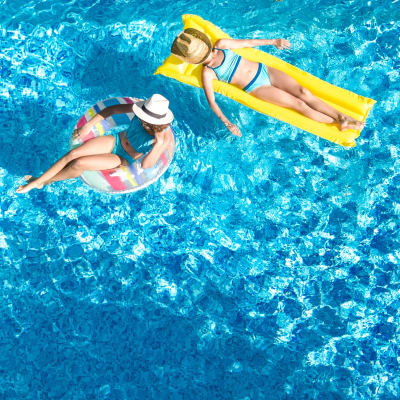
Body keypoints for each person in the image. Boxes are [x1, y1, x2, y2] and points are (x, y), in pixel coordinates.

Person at [171, 28, 364, 137]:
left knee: (304, 92)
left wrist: (274, 41)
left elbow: (247, 43)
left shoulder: (221, 44)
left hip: (266, 71)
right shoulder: (208, 72)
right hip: (257, 88)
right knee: (299, 104)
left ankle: (342, 117)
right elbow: (211, 101)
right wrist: (228, 123)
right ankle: (337, 123)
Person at [16, 94, 174, 194]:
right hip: (115, 140)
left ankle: (45, 181)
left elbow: (146, 165)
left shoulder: (163, 138)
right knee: (73, 154)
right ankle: (38, 181)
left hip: (122, 158)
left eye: (146, 119)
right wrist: (87, 126)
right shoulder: (142, 109)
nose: (141, 118)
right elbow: (111, 110)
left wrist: (159, 145)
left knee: (79, 163)